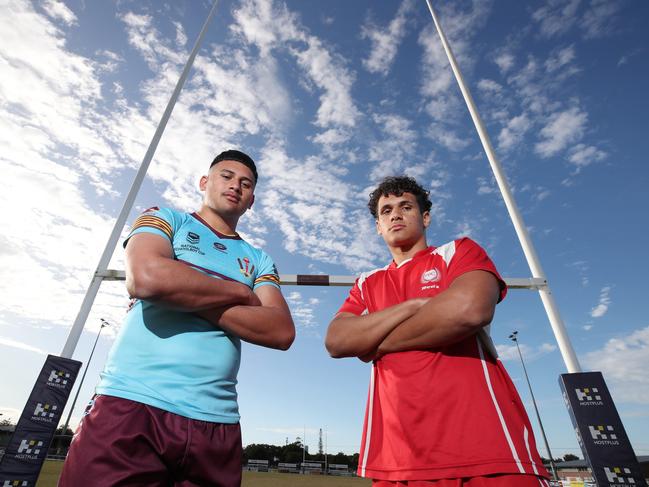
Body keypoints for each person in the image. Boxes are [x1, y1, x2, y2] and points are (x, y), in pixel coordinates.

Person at [60, 150, 295, 487]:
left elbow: (280, 330)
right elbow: (147, 279)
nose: (235, 186)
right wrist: (241, 293)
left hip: (216, 422)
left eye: (245, 184)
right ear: (205, 182)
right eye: (226, 176)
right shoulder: (166, 218)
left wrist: (180, 292)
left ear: (251, 200)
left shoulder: (257, 259)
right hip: (133, 403)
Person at [325, 176, 550, 487]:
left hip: (486, 447)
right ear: (378, 226)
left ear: (425, 217)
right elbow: (337, 341)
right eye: (386, 211)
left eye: (406, 206)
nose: (396, 215)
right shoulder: (368, 281)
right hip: (399, 458)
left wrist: (374, 344)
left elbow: (469, 310)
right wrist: (412, 307)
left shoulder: (458, 251)